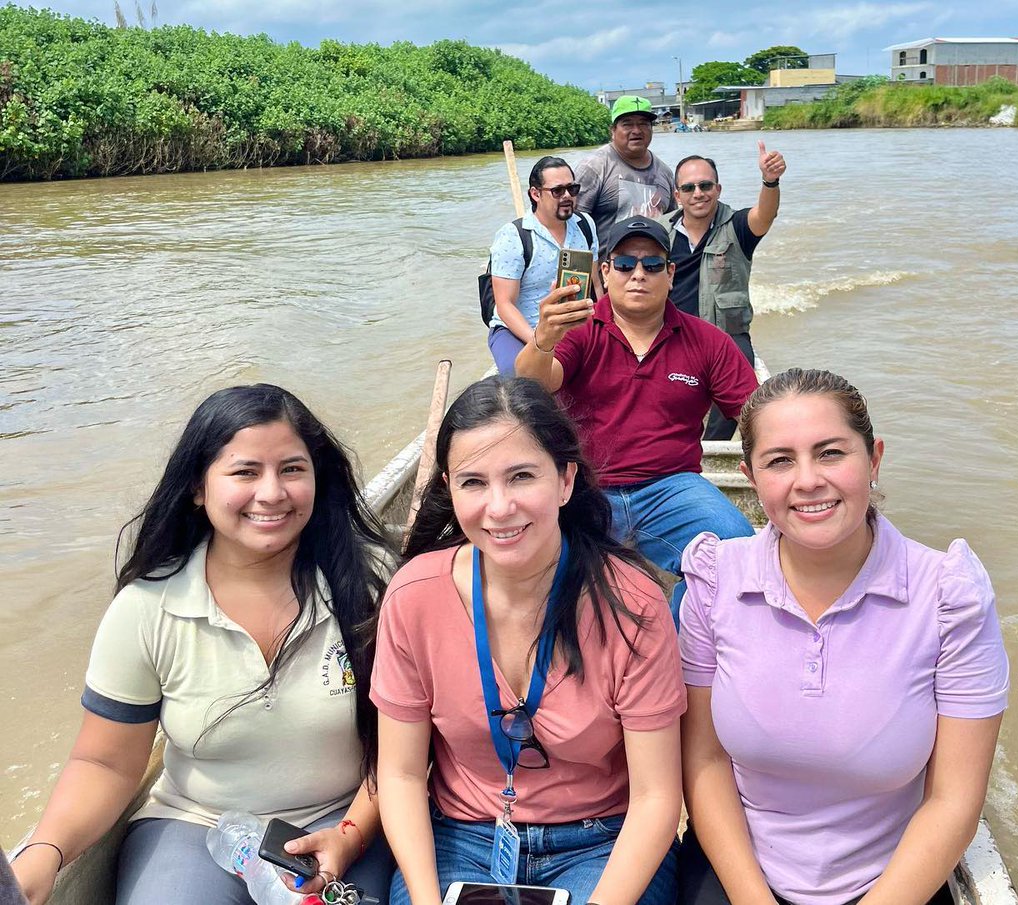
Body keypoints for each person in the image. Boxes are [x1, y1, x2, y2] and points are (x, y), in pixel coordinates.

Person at [11, 385, 399, 905]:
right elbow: (106, 763)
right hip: (196, 824)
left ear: (316, 477)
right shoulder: (148, 609)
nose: (271, 493)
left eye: (291, 469)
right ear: (198, 487)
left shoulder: (373, 584)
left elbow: (405, 746)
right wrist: (45, 851)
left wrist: (350, 837)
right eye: (245, 472)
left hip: (343, 821)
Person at [677, 368, 1010, 905]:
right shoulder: (716, 584)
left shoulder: (949, 597)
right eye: (780, 461)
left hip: (893, 880)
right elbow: (706, 761)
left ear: (874, 459)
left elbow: (953, 801)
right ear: (751, 476)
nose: (807, 480)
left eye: (831, 452)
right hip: (741, 868)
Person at [373, 376, 684, 905]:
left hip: (601, 842)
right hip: (460, 835)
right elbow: (400, 775)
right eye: (473, 483)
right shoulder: (414, 597)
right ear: (448, 487)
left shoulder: (631, 602)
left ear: (565, 481)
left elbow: (657, 798)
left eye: (521, 476)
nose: (499, 508)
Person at [514, 216, 758, 616]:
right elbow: (534, 385)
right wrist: (543, 338)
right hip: (585, 487)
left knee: (735, 552)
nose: (638, 275)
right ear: (605, 273)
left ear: (671, 273)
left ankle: (683, 656)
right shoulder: (578, 330)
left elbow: (756, 416)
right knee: (543, 579)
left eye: (652, 265)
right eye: (626, 265)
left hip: (673, 488)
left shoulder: (707, 340)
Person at [656, 142, 788, 440]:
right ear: (677, 195)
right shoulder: (659, 232)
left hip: (727, 333)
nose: (698, 193)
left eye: (705, 185)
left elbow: (765, 215)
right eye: (688, 188)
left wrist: (770, 181)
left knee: (743, 395)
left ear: (718, 188)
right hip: (673, 332)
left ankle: (710, 448)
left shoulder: (737, 226)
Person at [487, 156, 600, 376]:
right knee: (524, 384)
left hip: (571, 327)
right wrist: (542, 344)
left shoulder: (585, 225)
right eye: (557, 191)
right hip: (519, 331)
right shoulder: (513, 237)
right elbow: (505, 305)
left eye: (572, 188)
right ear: (535, 194)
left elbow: (596, 285)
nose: (567, 196)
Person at [575, 96, 677, 261]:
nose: (636, 130)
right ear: (613, 130)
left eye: (643, 123)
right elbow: (573, 229)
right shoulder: (594, 168)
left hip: (652, 273)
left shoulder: (665, 172)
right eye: (627, 124)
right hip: (607, 276)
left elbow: (674, 226)